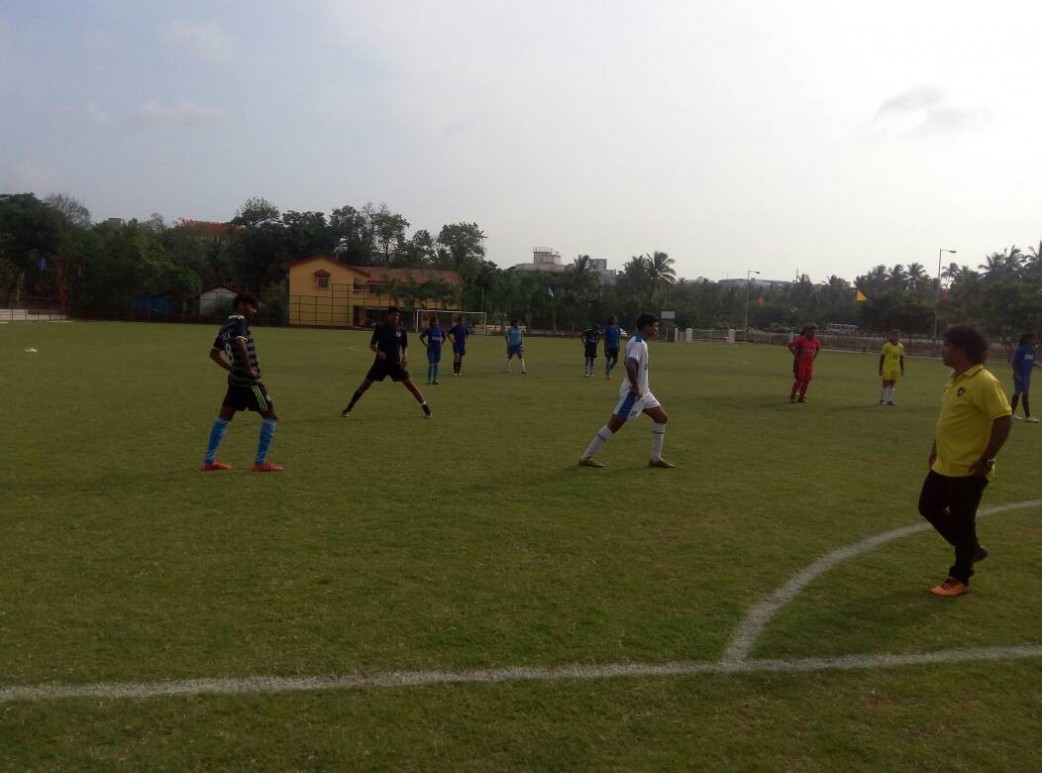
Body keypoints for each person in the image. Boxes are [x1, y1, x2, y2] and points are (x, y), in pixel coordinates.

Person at [918, 322, 1012, 597]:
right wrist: (936, 447)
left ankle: (960, 577)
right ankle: (970, 549)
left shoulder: (985, 382)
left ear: (961, 349)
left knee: (963, 520)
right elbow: (949, 419)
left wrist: (987, 458)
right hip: (945, 464)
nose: (942, 350)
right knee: (928, 506)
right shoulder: (954, 379)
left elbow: (1003, 419)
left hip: (970, 468)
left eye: (947, 345)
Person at [578, 314, 675, 468]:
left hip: (644, 392)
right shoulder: (638, 343)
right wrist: (635, 388)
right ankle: (586, 457)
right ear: (646, 326)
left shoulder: (639, 341)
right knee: (614, 425)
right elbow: (630, 365)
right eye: (655, 326)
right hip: (633, 394)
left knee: (661, 417)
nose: (657, 329)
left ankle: (656, 458)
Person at [201, 292, 283, 472]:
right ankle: (260, 462)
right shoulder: (240, 321)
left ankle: (209, 460)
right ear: (241, 306)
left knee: (223, 419)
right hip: (249, 382)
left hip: (235, 381)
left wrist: (232, 368)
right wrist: (248, 369)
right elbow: (240, 342)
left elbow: (213, 354)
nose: (255, 311)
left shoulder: (225, 325)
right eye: (252, 307)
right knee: (271, 417)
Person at [341, 306, 432, 419]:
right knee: (364, 386)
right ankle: (347, 409)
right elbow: (372, 345)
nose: (396, 317)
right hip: (380, 364)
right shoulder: (380, 327)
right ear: (388, 316)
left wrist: (404, 357)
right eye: (394, 315)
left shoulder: (401, 330)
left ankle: (427, 411)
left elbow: (404, 346)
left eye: (397, 315)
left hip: (396, 364)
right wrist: (379, 352)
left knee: (411, 386)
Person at [1009, 332, 1041, 422]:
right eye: (1032, 339)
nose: (1034, 341)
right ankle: (1028, 416)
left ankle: (1011, 414)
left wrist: (1035, 364)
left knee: (1017, 393)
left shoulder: (1032, 350)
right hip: (1020, 375)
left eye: (1035, 339)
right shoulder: (1020, 349)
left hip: (1027, 376)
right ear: (1027, 339)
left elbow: (1029, 361)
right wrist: (1016, 374)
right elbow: (1014, 362)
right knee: (1025, 393)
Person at [787, 324, 820, 403]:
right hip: (801, 362)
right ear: (806, 332)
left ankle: (801, 398)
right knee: (800, 379)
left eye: (814, 332)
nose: (813, 334)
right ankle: (792, 396)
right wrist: (795, 354)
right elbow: (789, 345)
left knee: (807, 380)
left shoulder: (816, 341)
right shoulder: (801, 339)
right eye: (811, 332)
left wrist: (814, 357)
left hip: (809, 363)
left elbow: (818, 349)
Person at [878, 328, 905, 406]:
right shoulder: (887, 346)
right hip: (887, 367)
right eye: (895, 336)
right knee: (886, 383)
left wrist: (902, 368)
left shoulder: (900, 346)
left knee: (892, 383)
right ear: (891, 336)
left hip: (896, 367)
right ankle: (881, 399)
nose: (896, 338)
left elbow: (901, 358)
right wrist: (880, 368)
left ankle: (890, 400)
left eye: (898, 336)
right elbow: (882, 357)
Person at [419, 315, 447, 385]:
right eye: (435, 322)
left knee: (436, 364)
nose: (437, 323)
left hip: (438, 350)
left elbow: (444, 337)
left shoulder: (440, 330)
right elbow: (421, 337)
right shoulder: (429, 330)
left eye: (438, 321)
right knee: (431, 364)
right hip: (431, 349)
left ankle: (435, 380)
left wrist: (441, 344)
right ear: (432, 322)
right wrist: (425, 344)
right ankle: (429, 380)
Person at [603, 315, 623, 380]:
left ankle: (608, 371)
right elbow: (605, 339)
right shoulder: (607, 328)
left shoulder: (617, 328)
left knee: (615, 360)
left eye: (615, 319)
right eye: (613, 319)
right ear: (611, 320)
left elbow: (618, 337)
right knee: (608, 359)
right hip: (609, 346)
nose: (615, 320)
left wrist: (619, 345)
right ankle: (608, 374)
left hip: (615, 346)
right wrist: (605, 348)